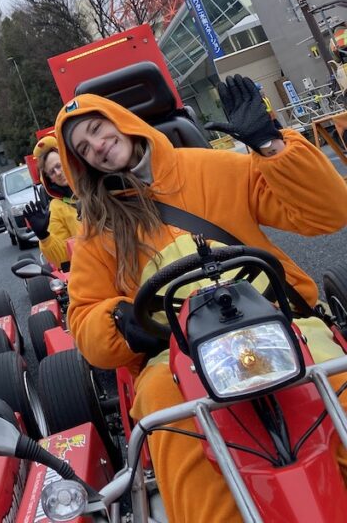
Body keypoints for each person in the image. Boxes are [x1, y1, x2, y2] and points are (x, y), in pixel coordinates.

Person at [56, 74, 347, 523]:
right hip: (176, 357)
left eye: (96, 129)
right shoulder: (99, 232)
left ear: (121, 121)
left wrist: (271, 147)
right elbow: (85, 318)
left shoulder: (214, 167)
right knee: (163, 413)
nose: (95, 146)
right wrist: (121, 321)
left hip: (275, 322)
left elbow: (327, 212)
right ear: (82, 165)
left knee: (334, 378)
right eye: (82, 148)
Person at [22, 134, 80, 269]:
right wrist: (45, 237)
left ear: (68, 161)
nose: (58, 173)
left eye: (59, 166)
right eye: (52, 172)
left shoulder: (98, 185)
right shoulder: (57, 208)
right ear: (49, 180)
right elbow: (62, 259)